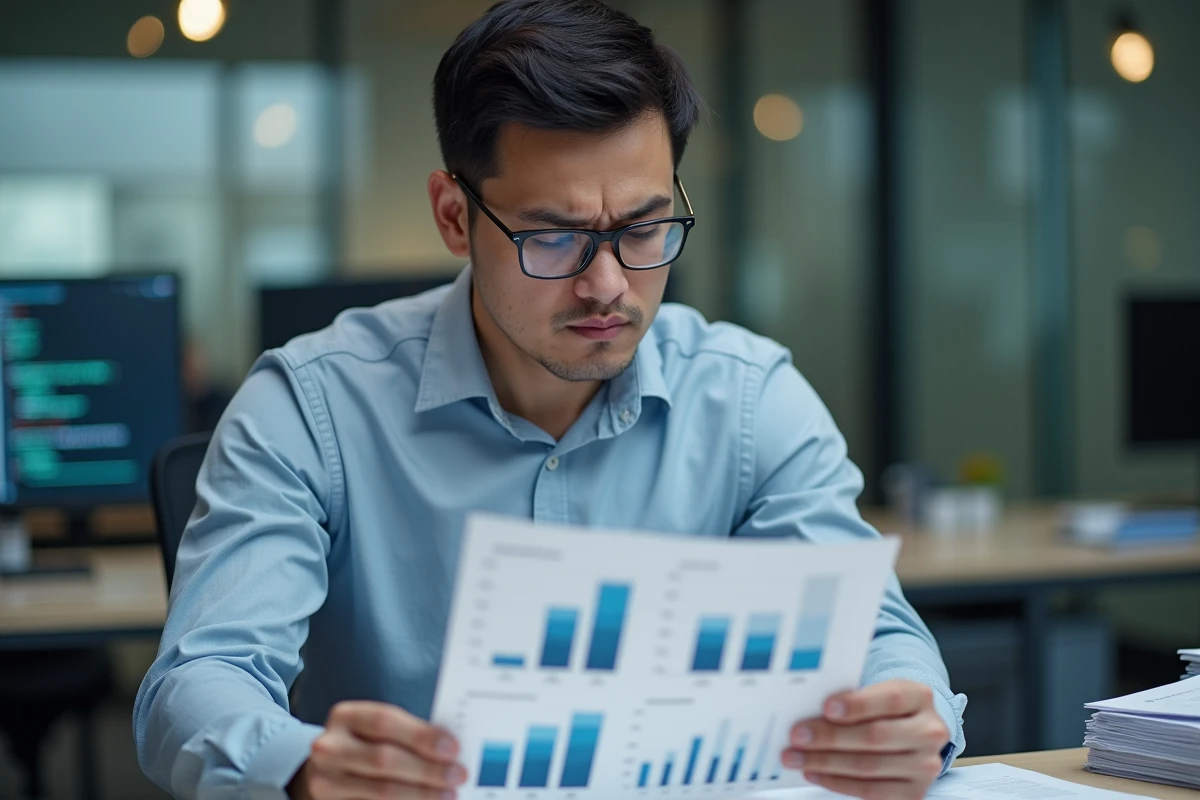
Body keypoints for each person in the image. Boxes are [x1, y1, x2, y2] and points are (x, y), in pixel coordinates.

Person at [134, 2, 966, 798]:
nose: (608, 286)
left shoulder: (747, 398)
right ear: (455, 217)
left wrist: (905, 715)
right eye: (554, 237)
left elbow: (879, 638)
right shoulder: (311, 408)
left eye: (643, 228)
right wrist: (303, 766)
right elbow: (199, 681)